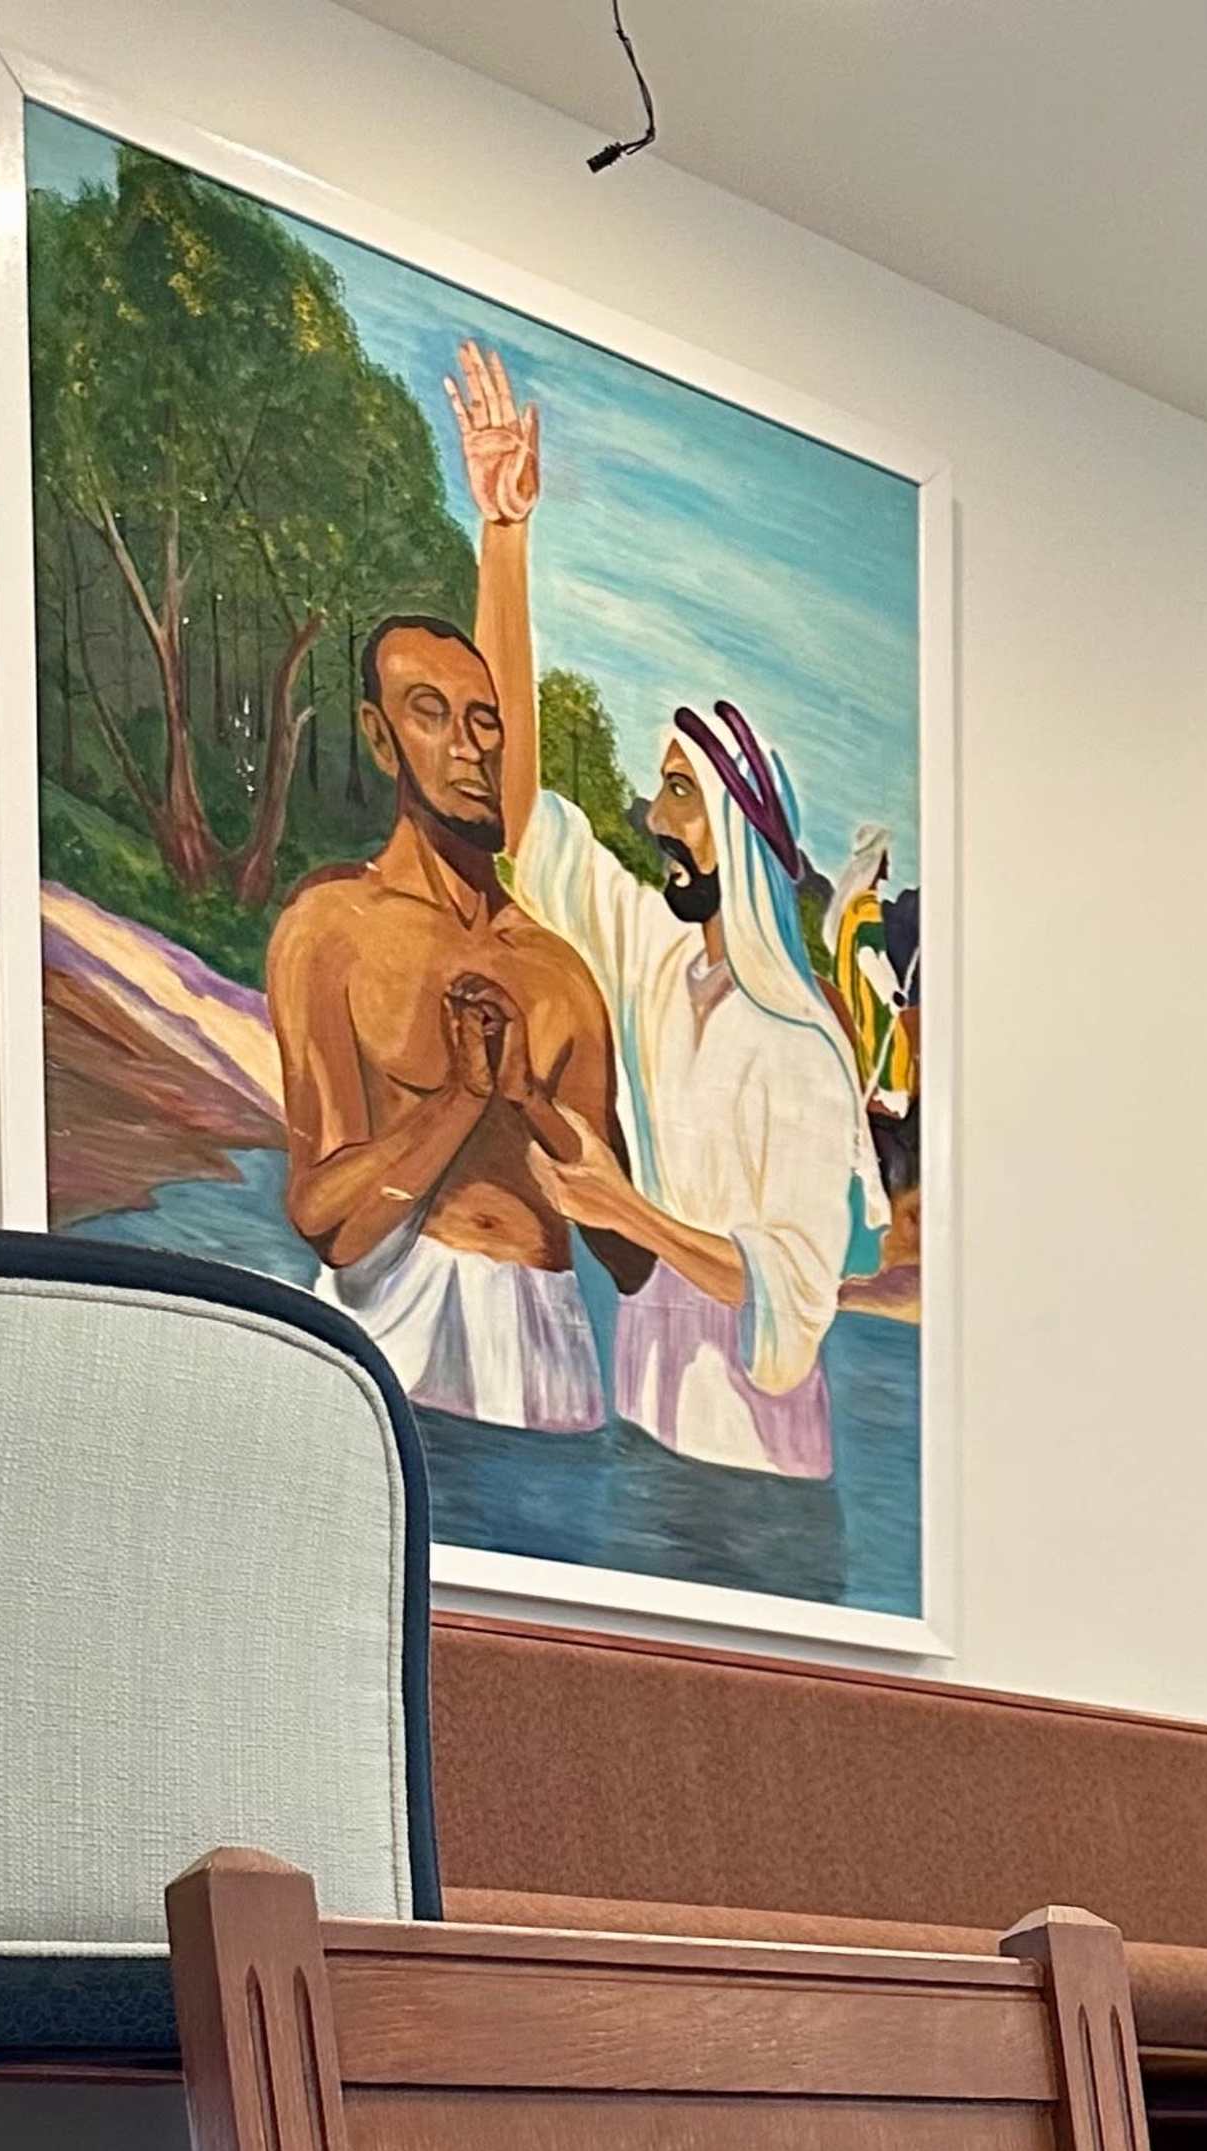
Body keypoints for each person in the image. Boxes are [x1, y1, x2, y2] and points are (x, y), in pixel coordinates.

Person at [448, 342, 886, 1477]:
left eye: (680, 793)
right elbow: (514, 814)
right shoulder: (655, 959)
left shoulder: (801, 1051)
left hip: (758, 1461)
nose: (652, 813)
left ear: (740, 834)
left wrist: (623, 1211)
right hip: (647, 1411)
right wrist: (505, 540)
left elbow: (794, 1294)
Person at [262, 612, 634, 1426]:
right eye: (430, 712)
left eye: (485, 719)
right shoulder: (331, 928)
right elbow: (327, 1221)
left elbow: (628, 1253)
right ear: (381, 736)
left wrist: (532, 1102)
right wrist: (462, 1099)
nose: (470, 746)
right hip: (384, 1340)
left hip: (549, 1363)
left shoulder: (559, 971)